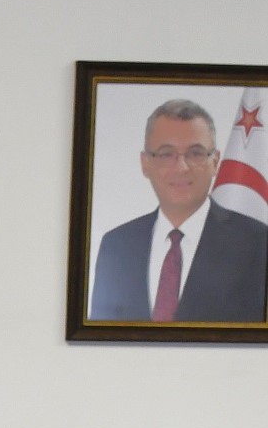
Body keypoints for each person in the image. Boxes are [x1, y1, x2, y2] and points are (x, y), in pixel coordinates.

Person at [89, 98, 268, 323]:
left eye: (195, 153)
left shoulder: (257, 243)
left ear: (215, 162)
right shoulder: (116, 245)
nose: (181, 167)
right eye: (166, 154)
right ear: (145, 163)